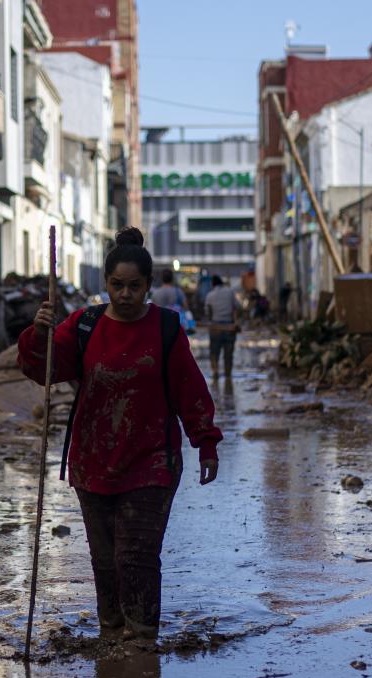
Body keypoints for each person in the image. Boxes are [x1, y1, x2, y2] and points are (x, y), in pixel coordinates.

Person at [21, 228, 222, 643]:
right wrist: (39, 334)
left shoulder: (166, 329)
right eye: (117, 285)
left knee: (138, 557)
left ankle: (143, 638)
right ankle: (111, 633)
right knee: (105, 560)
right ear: (106, 284)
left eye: (134, 286)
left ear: (149, 286)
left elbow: (190, 389)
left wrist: (206, 443)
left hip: (152, 461)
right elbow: (46, 369)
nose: (126, 294)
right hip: (93, 460)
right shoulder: (85, 325)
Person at [204, 274, 240, 380]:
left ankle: (215, 372)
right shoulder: (230, 292)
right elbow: (237, 307)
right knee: (228, 354)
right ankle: (228, 375)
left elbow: (207, 312)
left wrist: (212, 319)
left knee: (214, 352)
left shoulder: (210, 295)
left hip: (215, 327)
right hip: (229, 327)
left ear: (213, 284)